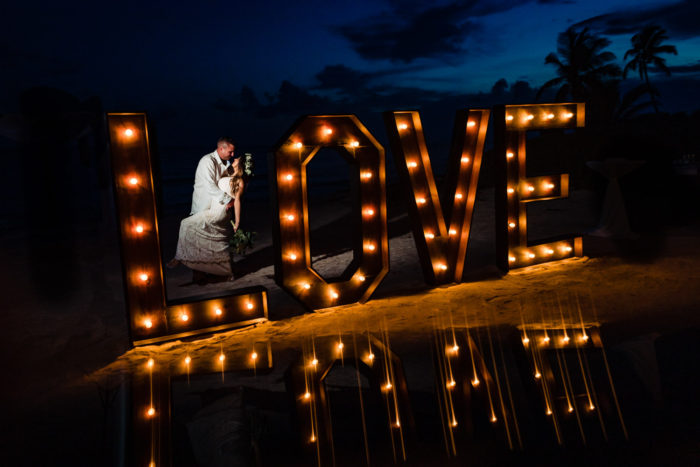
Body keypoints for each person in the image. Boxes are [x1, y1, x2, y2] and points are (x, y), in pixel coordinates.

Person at [168, 137, 246, 280]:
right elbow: (210, 186)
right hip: (203, 204)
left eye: (234, 152)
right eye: (230, 152)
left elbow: (230, 183)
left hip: (217, 208)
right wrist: (228, 200)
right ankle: (197, 272)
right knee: (197, 238)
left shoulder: (227, 163)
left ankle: (214, 270)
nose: (233, 155)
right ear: (221, 149)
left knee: (210, 240)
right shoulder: (207, 161)